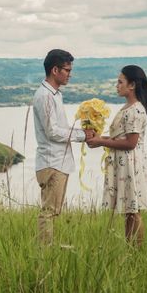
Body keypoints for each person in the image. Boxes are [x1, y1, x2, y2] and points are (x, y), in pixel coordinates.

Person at [86, 65, 147, 247]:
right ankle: (131, 250)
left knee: (133, 211)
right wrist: (100, 138)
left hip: (130, 164)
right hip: (124, 163)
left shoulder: (135, 110)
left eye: (120, 82)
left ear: (132, 85)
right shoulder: (128, 107)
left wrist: (102, 142)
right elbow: (121, 138)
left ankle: (136, 251)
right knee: (129, 210)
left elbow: (130, 143)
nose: (116, 85)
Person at [32, 49, 94, 246]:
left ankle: (47, 248)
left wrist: (83, 131)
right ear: (55, 70)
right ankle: (44, 252)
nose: (70, 74)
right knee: (49, 212)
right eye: (67, 70)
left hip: (59, 161)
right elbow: (52, 131)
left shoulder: (55, 95)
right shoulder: (45, 96)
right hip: (52, 162)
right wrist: (82, 135)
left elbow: (59, 128)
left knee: (54, 210)